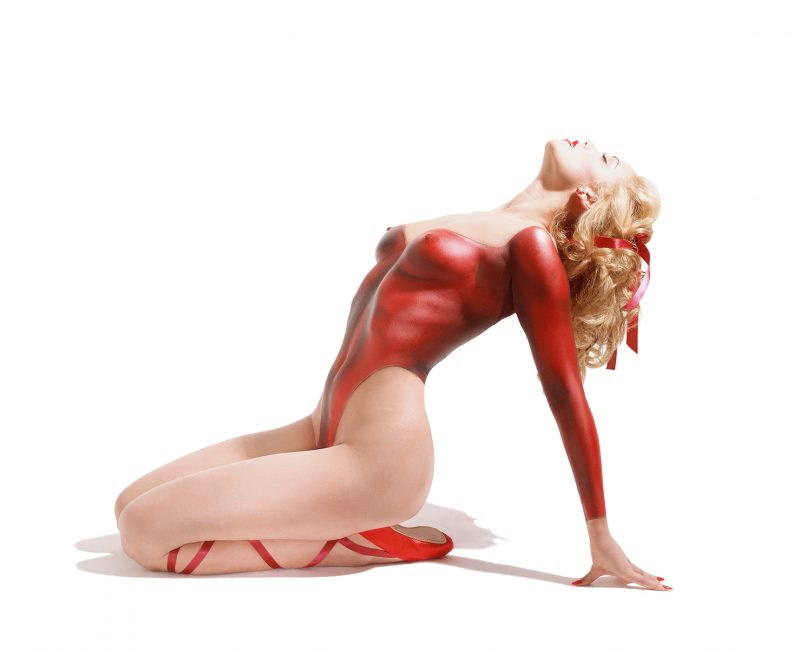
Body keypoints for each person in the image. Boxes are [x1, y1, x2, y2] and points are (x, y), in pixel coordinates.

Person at [115, 138, 670, 590]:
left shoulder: (532, 248)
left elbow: (565, 391)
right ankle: (346, 524)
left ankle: (351, 542)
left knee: (145, 533)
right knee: (127, 505)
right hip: (321, 426)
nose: (590, 143)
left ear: (587, 197)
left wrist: (599, 532)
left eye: (606, 158)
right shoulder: (486, 218)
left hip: (379, 455)